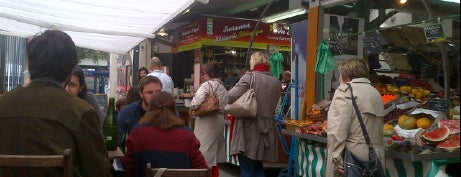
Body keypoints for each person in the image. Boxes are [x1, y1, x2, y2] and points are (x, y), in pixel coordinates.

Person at [0, 30, 110, 176]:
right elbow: (98, 172)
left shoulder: (3, 103)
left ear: (31, 65)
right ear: (70, 70)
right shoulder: (80, 111)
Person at [122, 91, 207, 177]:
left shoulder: (137, 133)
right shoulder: (187, 135)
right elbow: (201, 169)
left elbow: (128, 168)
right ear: (174, 109)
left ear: (150, 108)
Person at [326, 58, 385, 177]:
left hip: (352, 159)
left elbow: (337, 132)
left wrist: (336, 159)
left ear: (347, 76)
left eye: (340, 75)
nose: (339, 79)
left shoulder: (344, 91)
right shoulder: (375, 93)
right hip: (376, 157)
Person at [227, 51, 281, 177]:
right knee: (257, 167)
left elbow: (230, 96)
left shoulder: (250, 77)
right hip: (266, 130)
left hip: (248, 129)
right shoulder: (276, 82)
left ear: (253, 62)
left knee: (247, 167)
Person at [189, 63, 228, 177]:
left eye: (204, 73)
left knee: (204, 152)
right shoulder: (222, 86)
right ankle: (215, 174)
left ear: (208, 74)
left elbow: (196, 102)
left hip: (207, 121)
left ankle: (205, 174)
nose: (203, 75)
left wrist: (192, 107)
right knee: (214, 153)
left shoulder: (206, 85)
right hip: (219, 120)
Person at [117, 76, 162, 148]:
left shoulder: (169, 112)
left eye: (158, 92)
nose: (155, 95)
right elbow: (119, 142)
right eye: (150, 92)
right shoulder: (127, 112)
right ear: (141, 94)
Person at [65, 67, 106, 133]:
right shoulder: (55, 99)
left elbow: (103, 125)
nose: (66, 89)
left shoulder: (88, 98)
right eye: (64, 84)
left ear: (81, 87)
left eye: (72, 85)